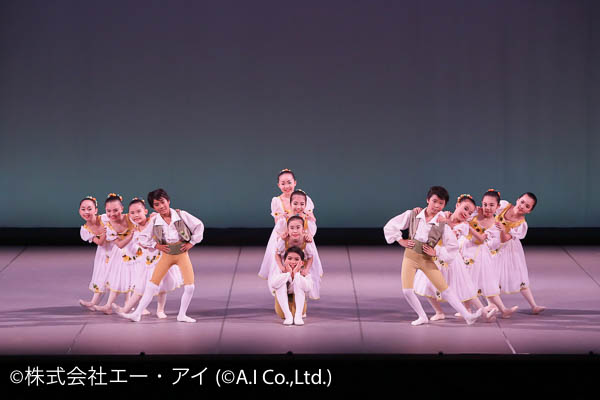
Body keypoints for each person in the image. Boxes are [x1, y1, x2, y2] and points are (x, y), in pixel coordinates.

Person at [383, 186, 483, 326]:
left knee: (445, 290)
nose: (436, 206)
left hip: (427, 259)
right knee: (407, 291)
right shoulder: (413, 214)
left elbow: (453, 246)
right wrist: (400, 240)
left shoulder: (442, 223)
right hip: (410, 257)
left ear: (444, 205)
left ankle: (468, 316)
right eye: (434, 201)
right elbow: (391, 225)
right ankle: (422, 316)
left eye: (441, 203)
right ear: (428, 200)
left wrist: (436, 252)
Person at [119, 188, 204, 323]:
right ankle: (137, 314)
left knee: (190, 286)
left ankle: (182, 315)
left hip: (181, 254)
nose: (161, 206)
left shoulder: (180, 215)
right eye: (157, 204)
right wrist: (156, 245)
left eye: (162, 202)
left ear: (168, 201)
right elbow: (144, 237)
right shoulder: (155, 221)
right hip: (166, 255)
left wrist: (191, 243)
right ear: (153, 207)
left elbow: (199, 225)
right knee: (152, 285)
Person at [413, 194, 496, 322]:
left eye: (469, 213)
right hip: (434, 254)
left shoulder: (463, 225)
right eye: (465, 208)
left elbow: (451, 234)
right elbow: (428, 217)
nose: (466, 213)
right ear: (457, 205)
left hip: (451, 258)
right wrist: (418, 211)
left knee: (465, 287)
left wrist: (445, 221)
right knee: (427, 284)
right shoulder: (443, 215)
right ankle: (439, 312)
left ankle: (485, 313)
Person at [111, 198, 183, 318]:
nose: (136, 215)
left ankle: (160, 310)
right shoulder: (135, 230)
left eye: (138, 211)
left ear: (145, 211)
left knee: (162, 286)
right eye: (132, 213)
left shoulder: (153, 220)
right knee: (139, 288)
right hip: (146, 262)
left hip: (160, 258)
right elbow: (142, 245)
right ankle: (125, 309)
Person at [461, 190, 518, 318]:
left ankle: (503, 310)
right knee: (467, 282)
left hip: (482, 255)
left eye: (491, 205)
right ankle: (466, 309)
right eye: (485, 204)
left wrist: (485, 240)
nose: (487, 208)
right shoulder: (474, 214)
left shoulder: (497, 225)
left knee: (489, 284)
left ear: (498, 206)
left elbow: (495, 244)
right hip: (467, 251)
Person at [258, 169, 315, 280]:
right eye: (283, 183)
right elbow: (277, 223)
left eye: (289, 182)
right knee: (280, 261)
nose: (286, 186)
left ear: (295, 182)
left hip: (301, 234)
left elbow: (311, 218)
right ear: (278, 185)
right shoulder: (277, 201)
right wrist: (283, 236)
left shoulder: (302, 197)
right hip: (283, 235)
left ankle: (302, 284)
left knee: (305, 258)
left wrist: (308, 234)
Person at [495, 192, 546, 314]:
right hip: (492, 243)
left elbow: (505, 239)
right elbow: (489, 210)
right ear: (517, 200)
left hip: (509, 249)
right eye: (522, 202)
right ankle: (493, 305)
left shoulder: (521, 225)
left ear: (529, 211)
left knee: (519, 275)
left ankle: (534, 306)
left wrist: (503, 229)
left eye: (527, 206)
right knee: (491, 276)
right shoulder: (503, 206)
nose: (522, 206)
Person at [268, 216, 323, 325]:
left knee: (300, 285)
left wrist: (304, 270)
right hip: (285, 267)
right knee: (280, 286)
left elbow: (310, 257)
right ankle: (288, 315)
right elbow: (277, 254)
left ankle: (298, 315)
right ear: (287, 229)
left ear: (303, 229)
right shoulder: (283, 240)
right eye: (292, 228)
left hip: (300, 267)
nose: (295, 231)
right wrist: (283, 269)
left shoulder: (306, 240)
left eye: (298, 227)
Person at [94, 193, 135, 314]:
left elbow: (143, 219)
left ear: (122, 209)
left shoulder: (130, 217)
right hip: (121, 252)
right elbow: (120, 245)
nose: (112, 214)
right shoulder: (108, 226)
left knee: (132, 279)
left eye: (116, 210)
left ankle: (128, 304)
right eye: (109, 211)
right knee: (118, 278)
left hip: (135, 252)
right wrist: (131, 236)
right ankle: (110, 305)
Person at [78, 196, 110, 310]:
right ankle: (93, 303)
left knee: (119, 276)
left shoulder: (105, 218)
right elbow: (100, 243)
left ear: (95, 210)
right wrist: (105, 233)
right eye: (83, 209)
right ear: (79, 211)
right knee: (101, 276)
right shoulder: (85, 230)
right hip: (104, 252)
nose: (86, 212)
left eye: (89, 209)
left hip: (117, 249)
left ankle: (115, 305)